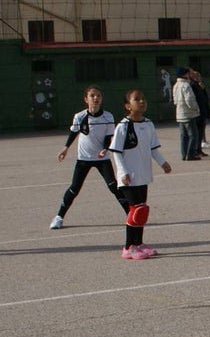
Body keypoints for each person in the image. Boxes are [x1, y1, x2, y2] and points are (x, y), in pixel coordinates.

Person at [50, 86, 130, 230]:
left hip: (102, 159)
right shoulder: (79, 116)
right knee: (74, 188)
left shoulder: (108, 116)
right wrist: (65, 148)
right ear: (86, 99)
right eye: (92, 95)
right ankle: (59, 217)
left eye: (98, 95)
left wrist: (105, 149)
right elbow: (74, 132)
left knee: (113, 186)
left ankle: (130, 214)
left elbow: (108, 138)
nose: (96, 98)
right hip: (83, 159)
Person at [109, 89, 172, 260]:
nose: (142, 102)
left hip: (143, 175)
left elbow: (153, 149)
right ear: (128, 106)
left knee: (142, 210)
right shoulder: (123, 126)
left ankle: (139, 243)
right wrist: (123, 172)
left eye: (143, 99)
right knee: (135, 211)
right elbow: (116, 152)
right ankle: (128, 247)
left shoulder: (148, 124)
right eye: (137, 99)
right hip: (129, 177)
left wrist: (163, 163)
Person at [172, 67, 201, 161]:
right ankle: (190, 154)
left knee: (183, 136)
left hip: (180, 114)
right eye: (188, 73)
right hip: (188, 114)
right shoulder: (186, 85)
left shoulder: (176, 85)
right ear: (184, 74)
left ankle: (184, 155)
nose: (189, 75)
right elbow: (190, 100)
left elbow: (175, 100)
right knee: (193, 135)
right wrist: (196, 108)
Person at [189, 69, 210, 157]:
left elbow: (205, 98)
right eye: (197, 76)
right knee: (196, 132)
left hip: (203, 111)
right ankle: (195, 150)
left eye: (200, 76)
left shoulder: (199, 85)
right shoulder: (192, 85)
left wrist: (203, 88)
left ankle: (199, 149)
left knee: (201, 131)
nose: (199, 78)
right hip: (197, 112)